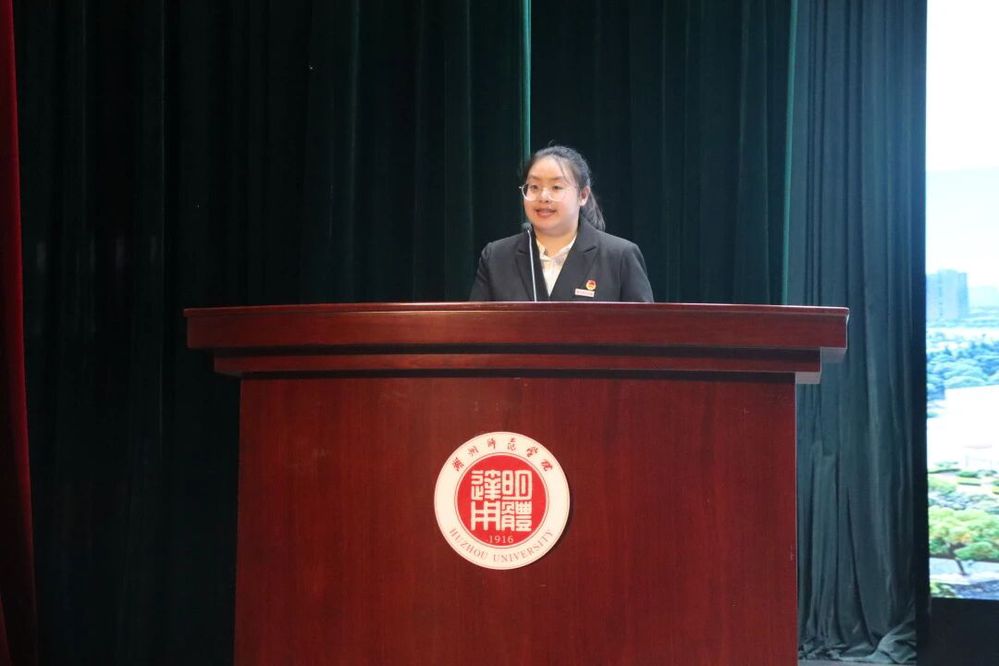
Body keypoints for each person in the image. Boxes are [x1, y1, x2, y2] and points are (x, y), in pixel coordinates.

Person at [469, 145, 654, 302]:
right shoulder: (497, 257)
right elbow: (475, 328)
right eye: (534, 187)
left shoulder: (619, 256)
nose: (543, 197)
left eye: (556, 187)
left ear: (583, 195)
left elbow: (645, 329)